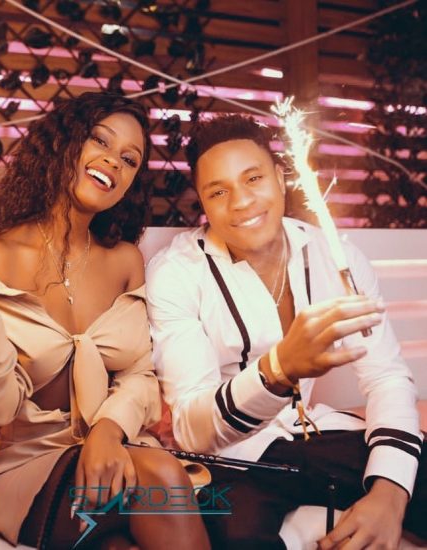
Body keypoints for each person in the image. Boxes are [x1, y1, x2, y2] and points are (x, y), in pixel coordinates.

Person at [0, 92, 210, 550]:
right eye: (100, 140)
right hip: (28, 466)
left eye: (129, 159)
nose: (113, 161)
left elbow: (139, 375)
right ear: (64, 144)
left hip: (117, 447)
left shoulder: (125, 261)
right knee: (161, 474)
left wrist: (107, 431)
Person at [145, 113, 427, 549]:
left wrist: (389, 495)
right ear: (202, 202)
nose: (241, 201)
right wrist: (276, 371)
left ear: (280, 177)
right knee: (235, 534)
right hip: (233, 458)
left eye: (253, 178)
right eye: (218, 191)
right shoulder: (176, 272)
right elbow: (191, 429)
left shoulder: (336, 256)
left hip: (316, 434)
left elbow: (386, 377)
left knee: (410, 470)